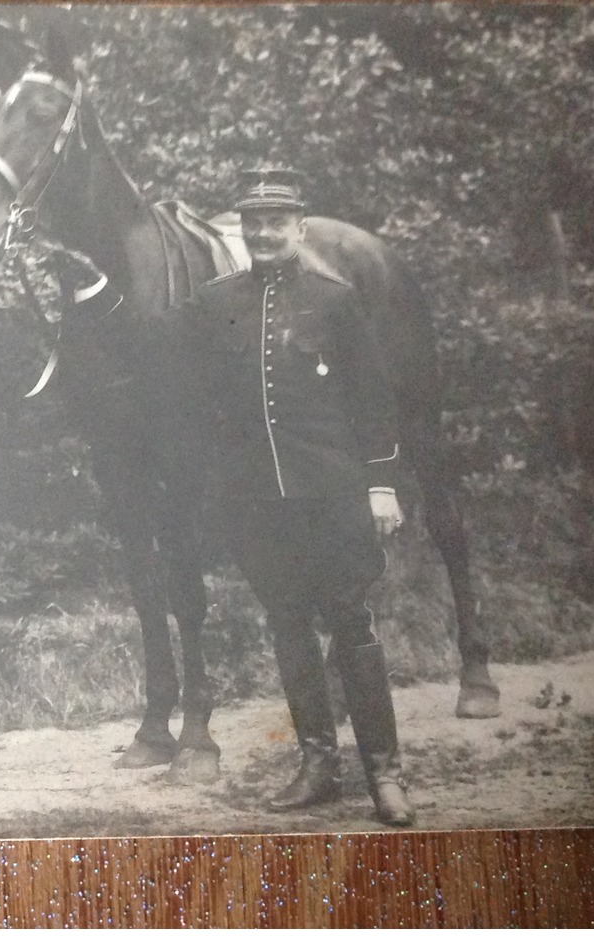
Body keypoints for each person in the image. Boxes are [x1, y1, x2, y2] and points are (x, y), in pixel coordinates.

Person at [178, 173, 415, 827]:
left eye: (275, 221)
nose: (262, 232)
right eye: (252, 222)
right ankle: (317, 765)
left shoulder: (335, 301)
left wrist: (381, 485)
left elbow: (372, 401)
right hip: (257, 502)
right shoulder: (215, 302)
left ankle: (385, 775)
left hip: (332, 493)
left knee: (351, 623)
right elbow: (198, 398)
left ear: (299, 226)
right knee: (287, 624)